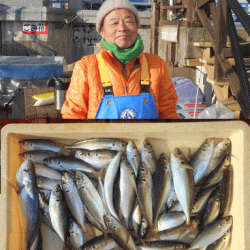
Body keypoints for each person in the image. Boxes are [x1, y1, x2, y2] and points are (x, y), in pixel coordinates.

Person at [61, 0, 180, 119]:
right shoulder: (86, 67)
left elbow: (169, 114)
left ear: (137, 27)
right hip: (102, 138)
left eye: (128, 21)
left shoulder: (157, 65)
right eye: (114, 23)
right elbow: (72, 116)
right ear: (101, 30)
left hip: (147, 138)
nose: (122, 28)